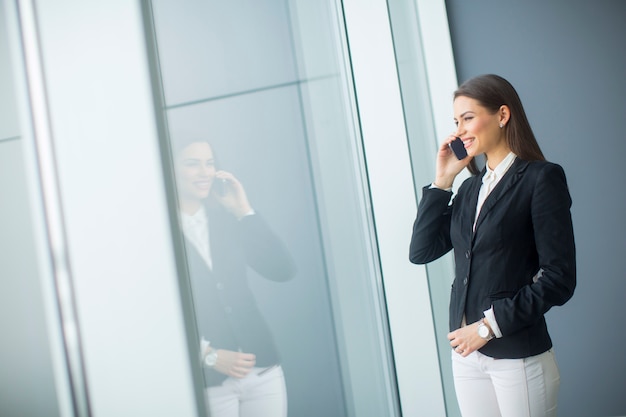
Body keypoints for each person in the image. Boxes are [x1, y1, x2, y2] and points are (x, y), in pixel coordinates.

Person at [409, 74, 576, 417]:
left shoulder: (540, 179)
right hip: (468, 356)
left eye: (468, 118)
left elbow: (559, 278)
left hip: (517, 355)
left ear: (502, 115)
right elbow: (421, 251)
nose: (460, 130)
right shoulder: (470, 190)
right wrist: (443, 182)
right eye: (456, 122)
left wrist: (488, 327)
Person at [173, 138, 296, 417]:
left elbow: (282, 270)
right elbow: (152, 314)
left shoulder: (228, 222)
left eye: (209, 163)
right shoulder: (158, 233)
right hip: (208, 383)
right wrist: (208, 355)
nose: (204, 172)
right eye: (192, 164)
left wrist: (244, 211)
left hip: (263, 371)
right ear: (171, 169)